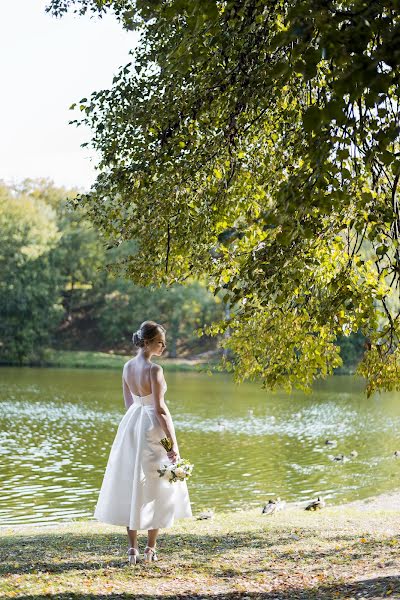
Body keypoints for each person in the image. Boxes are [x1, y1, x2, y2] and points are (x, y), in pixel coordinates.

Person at [93, 320, 192, 564]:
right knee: (155, 483)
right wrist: (172, 444)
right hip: (152, 429)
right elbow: (160, 410)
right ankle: (150, 549)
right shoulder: (154, 370)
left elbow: (129, 404)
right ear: (147, 342)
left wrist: (136, 423)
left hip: (132, 426)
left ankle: (132, 550)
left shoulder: (127, 367)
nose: (164, 346)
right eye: (160, 342)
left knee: (130, 483)